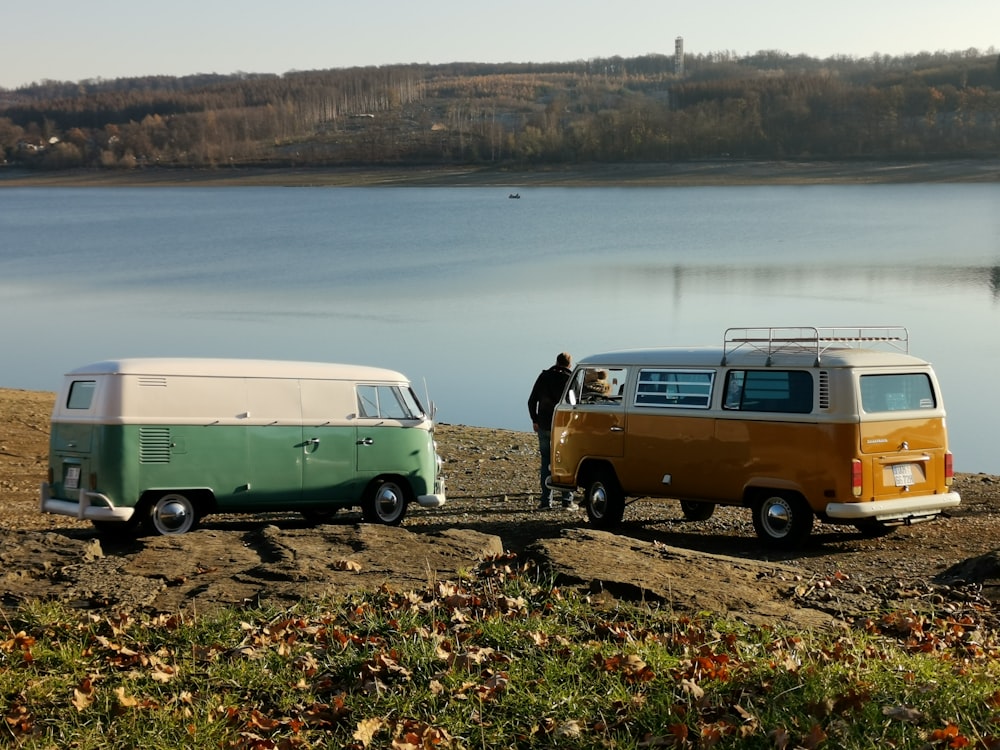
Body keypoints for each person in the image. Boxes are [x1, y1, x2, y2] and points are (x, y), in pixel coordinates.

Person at [527, 352, 577, 510]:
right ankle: (567, 500)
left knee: (546, 463)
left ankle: (545, 502)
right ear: (569, 364)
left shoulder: (544, 377)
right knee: (564, 462)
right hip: (563, 426)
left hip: (544, 424)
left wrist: (534, 420)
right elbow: (575, 402)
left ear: (556, 361)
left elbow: (531, 400)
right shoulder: (570, 379)